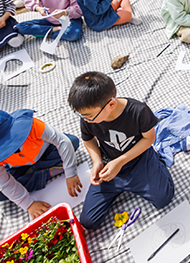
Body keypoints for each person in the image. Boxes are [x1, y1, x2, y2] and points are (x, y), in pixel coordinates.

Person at [68, 71, 174, 230]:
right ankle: (121, 186)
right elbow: (88, 140)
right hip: (109, 166)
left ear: (111, 104)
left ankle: (157, 163)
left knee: (163, 198)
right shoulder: (88, 118)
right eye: (82, 116)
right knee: (88, 221)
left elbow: (149, 139)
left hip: (139, 160)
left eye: (89, 116)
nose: (86, 119)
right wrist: (97, 161)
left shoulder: (138, 111)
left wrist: (120, 161)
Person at [0, 108, 81, 220]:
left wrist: (71, 173)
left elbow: (61, 141)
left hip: (46, 152)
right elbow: (3, 183)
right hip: (17, 167)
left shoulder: (32, 126)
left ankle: (36, 172)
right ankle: (47, 173)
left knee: (72, 141)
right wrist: (29, 204)